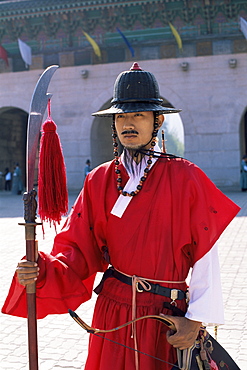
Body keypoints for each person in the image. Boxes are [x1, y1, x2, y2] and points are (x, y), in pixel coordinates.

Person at [2, 63, 240, 370]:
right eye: (122, 115)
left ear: (158, 120)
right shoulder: (98, 180)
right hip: (112, 311)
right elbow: (76, 248)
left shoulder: (186, 178)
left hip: (165, 315)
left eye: (138, 114)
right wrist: (42, 270)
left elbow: (207, 254)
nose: (128, 123)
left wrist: (196, 319)